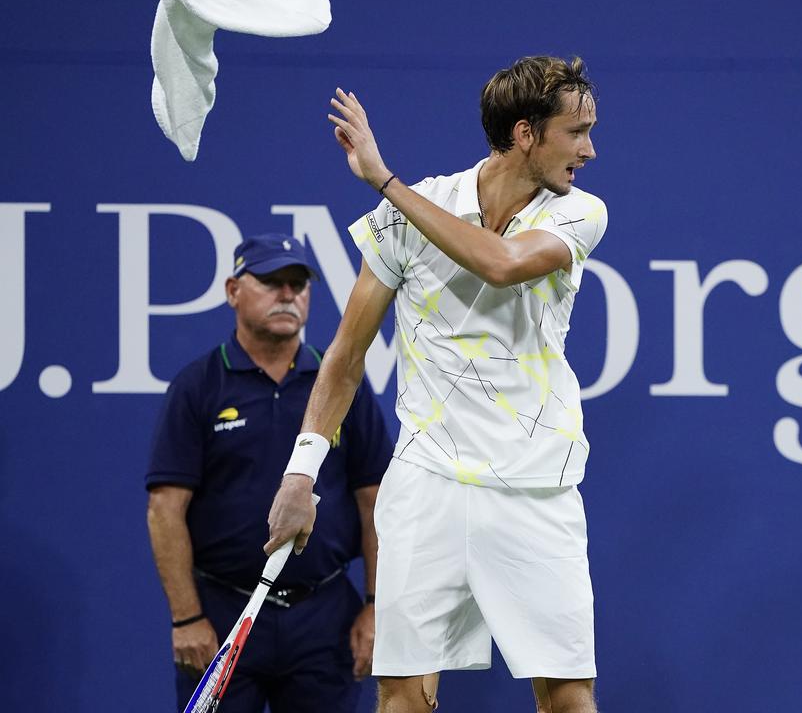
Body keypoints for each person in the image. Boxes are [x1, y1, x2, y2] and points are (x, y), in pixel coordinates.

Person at [263, 55, 607, 713]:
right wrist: (301, 473)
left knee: (567, 697)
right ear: (526, 133)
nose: (590, 150)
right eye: (576, 132)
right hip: (428, 486)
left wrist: (383, 181)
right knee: (404, 697)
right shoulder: (409, 215)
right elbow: (345, 354)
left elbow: (504, 264)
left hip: (536, 489)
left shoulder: (580, 212)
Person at [146, 234, 393, 713]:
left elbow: (375, 499)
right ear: (233, 290)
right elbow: (165, 509)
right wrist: (186, 617)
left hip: (324, 615)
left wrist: (376, 603)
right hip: (223, 612)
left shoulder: (339, 383)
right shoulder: (198, 386)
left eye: (298, 283)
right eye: (271, 281)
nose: (287, 294)